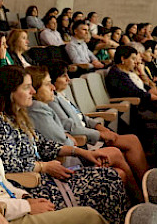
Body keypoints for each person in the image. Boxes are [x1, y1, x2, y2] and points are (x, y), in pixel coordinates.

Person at [0, 66, 129, 224]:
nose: (33, 91)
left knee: (109, 176)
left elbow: (43, 144)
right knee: (110, 179)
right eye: (27, 87)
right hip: (32, 185)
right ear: (10, 92)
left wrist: (83, 152)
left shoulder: (18, 116)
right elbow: (9, 166)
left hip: (44, 176)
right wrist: (44, 166)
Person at [25, 66, 143, 201]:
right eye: (47, 84)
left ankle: (142, 194)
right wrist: (70, 138)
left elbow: (73, 123)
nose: (52, 87)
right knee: (117, 161)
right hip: (65, 162)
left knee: (121, 158)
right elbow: (62, 140)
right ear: (33, 90)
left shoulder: (46, 104)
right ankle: (141, 195)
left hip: (74, 153)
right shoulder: (38, 108)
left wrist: (89, 129)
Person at [45, 61, 148, 184]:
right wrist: (99, 134)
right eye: (63, 76)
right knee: (127, 145)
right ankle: (143, 187)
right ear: (52, 81)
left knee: (131, 141)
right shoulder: (52, 101)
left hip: (89, 136)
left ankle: (145, 182)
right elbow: (71, 128)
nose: (68, 79)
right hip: (84, 141)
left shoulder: (62, 95)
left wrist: (99, 127)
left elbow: (83, 118)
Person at [105, 45, 157, 149]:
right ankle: (156, 149)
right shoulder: (117, 74)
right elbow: (138, 93)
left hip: (146, 104)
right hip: (135, 109)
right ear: (123, 59)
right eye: (132, 58)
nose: (135, 62)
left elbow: (146, 87)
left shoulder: (128, 71)